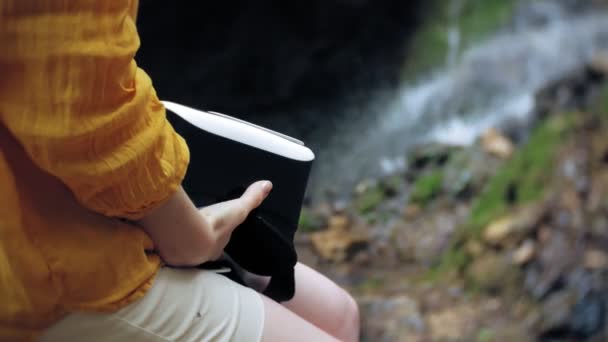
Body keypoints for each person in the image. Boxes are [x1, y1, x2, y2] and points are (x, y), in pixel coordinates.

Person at [0, 1, 360, 341]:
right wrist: (193, 235)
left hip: (64, 202)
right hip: (40, 269)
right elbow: (80, 110)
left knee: (339, 315)